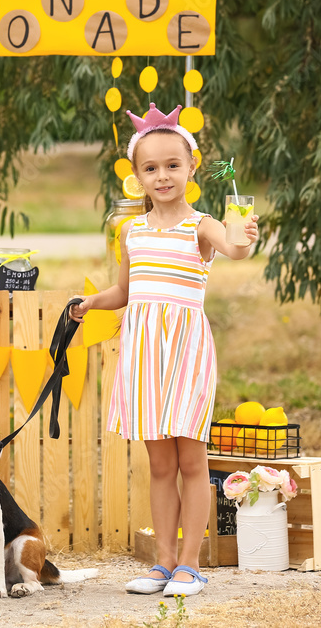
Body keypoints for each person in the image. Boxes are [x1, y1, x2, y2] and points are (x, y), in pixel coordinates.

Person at [70, 103, 259, 597]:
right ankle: (163, 562)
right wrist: (91, 303)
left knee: (192, 462)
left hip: (187, 354)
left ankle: (190, 566)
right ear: (137, 176)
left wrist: (245, 237)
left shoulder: (201, 226)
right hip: (144, 357)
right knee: (159, 465)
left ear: (191, 168)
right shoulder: (131, 231)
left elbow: (235, 247)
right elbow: (125, 293)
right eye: (150, 168)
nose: (162, 175)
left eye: (172, 165)